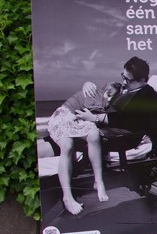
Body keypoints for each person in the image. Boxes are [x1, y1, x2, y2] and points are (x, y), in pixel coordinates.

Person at [38, 82, 120, 214]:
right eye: (108, 94)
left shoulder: (105, 102)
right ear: (103, 91)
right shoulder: (95, 96)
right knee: (67, 146)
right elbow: (94, 113)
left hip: (74, 121)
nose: (109, 99)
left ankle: (98, 182)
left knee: (93, 134)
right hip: (63, 117)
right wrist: (88, 84)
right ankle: (67, 197)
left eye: (113, 97)